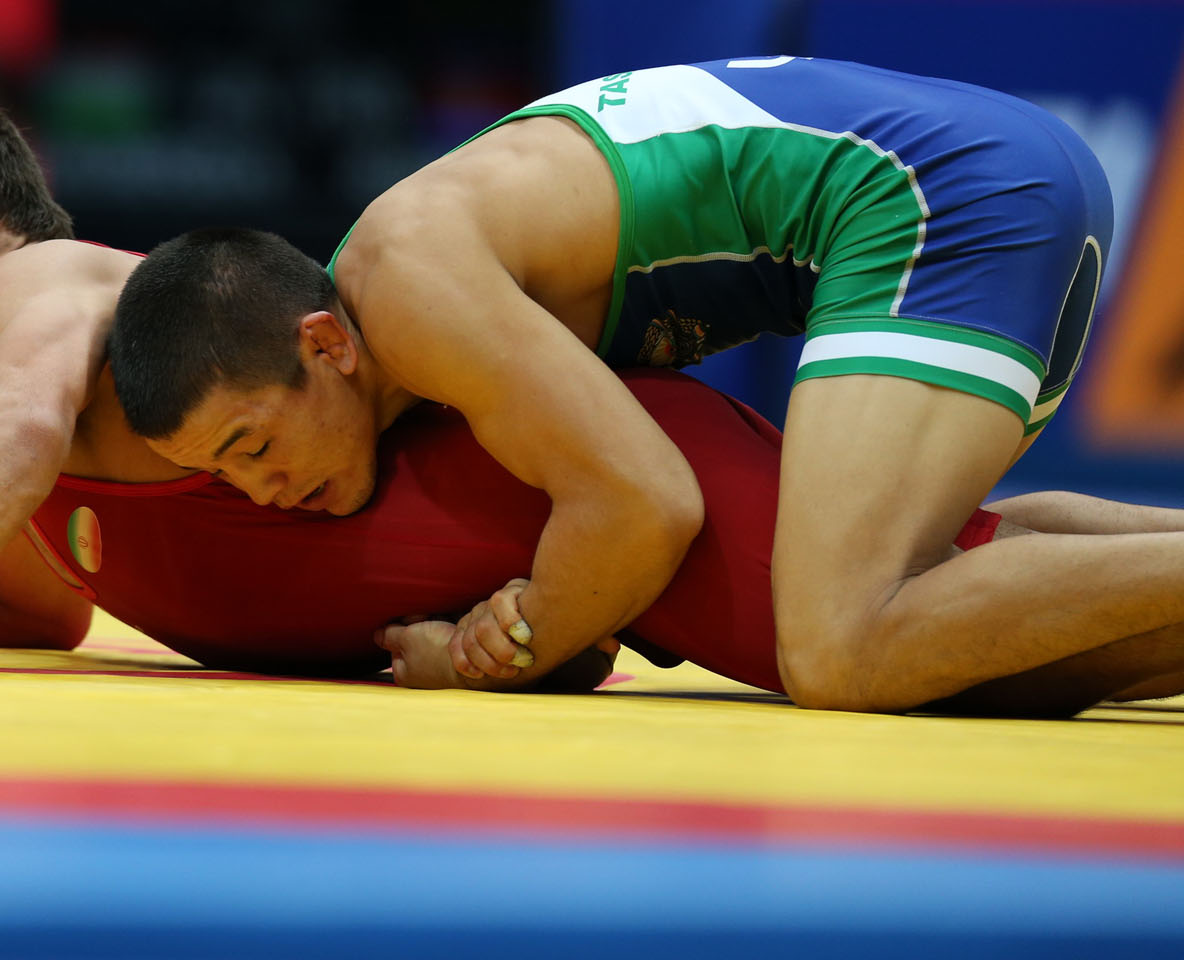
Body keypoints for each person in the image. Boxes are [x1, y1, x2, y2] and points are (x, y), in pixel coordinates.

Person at [106, 57, 1184, 715]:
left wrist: (494, 648)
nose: (261, 493)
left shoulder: (407, 288)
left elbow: (645, 504)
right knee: (938, 574)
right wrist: (557, 621)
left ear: (324, 347)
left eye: (252, 446)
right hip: (980, 174)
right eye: (224, 478)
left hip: (935, 196)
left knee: (841, 641)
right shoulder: (415, 324)